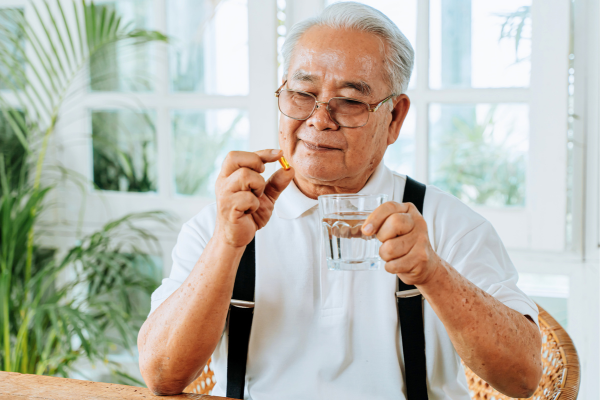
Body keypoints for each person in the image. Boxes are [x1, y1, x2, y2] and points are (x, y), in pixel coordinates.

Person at [137, 2, 542, 399]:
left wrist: (433, 273)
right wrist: (227, 244)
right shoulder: (223, 222)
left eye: (349, 101)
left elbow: (523, 378)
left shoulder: (447, 223)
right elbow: (161, 377)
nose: (319, 119)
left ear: (395, 118)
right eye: (301, 93)